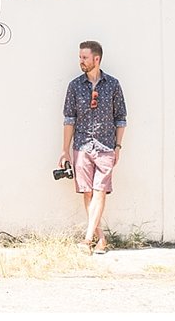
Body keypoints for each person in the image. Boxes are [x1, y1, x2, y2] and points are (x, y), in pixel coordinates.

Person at [59, 40, 127, 255]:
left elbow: (121, 118)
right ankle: (101, 239)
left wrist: (117, 146)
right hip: (81, 146)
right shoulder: (74, 86)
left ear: (96, 59)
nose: (81, 61)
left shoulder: (113, 85)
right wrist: (65, 150)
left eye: (84, 57)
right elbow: (69, 119)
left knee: (100, 192)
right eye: (80, 57)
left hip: (106, 145)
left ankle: (87, 240)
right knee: (87, 193)